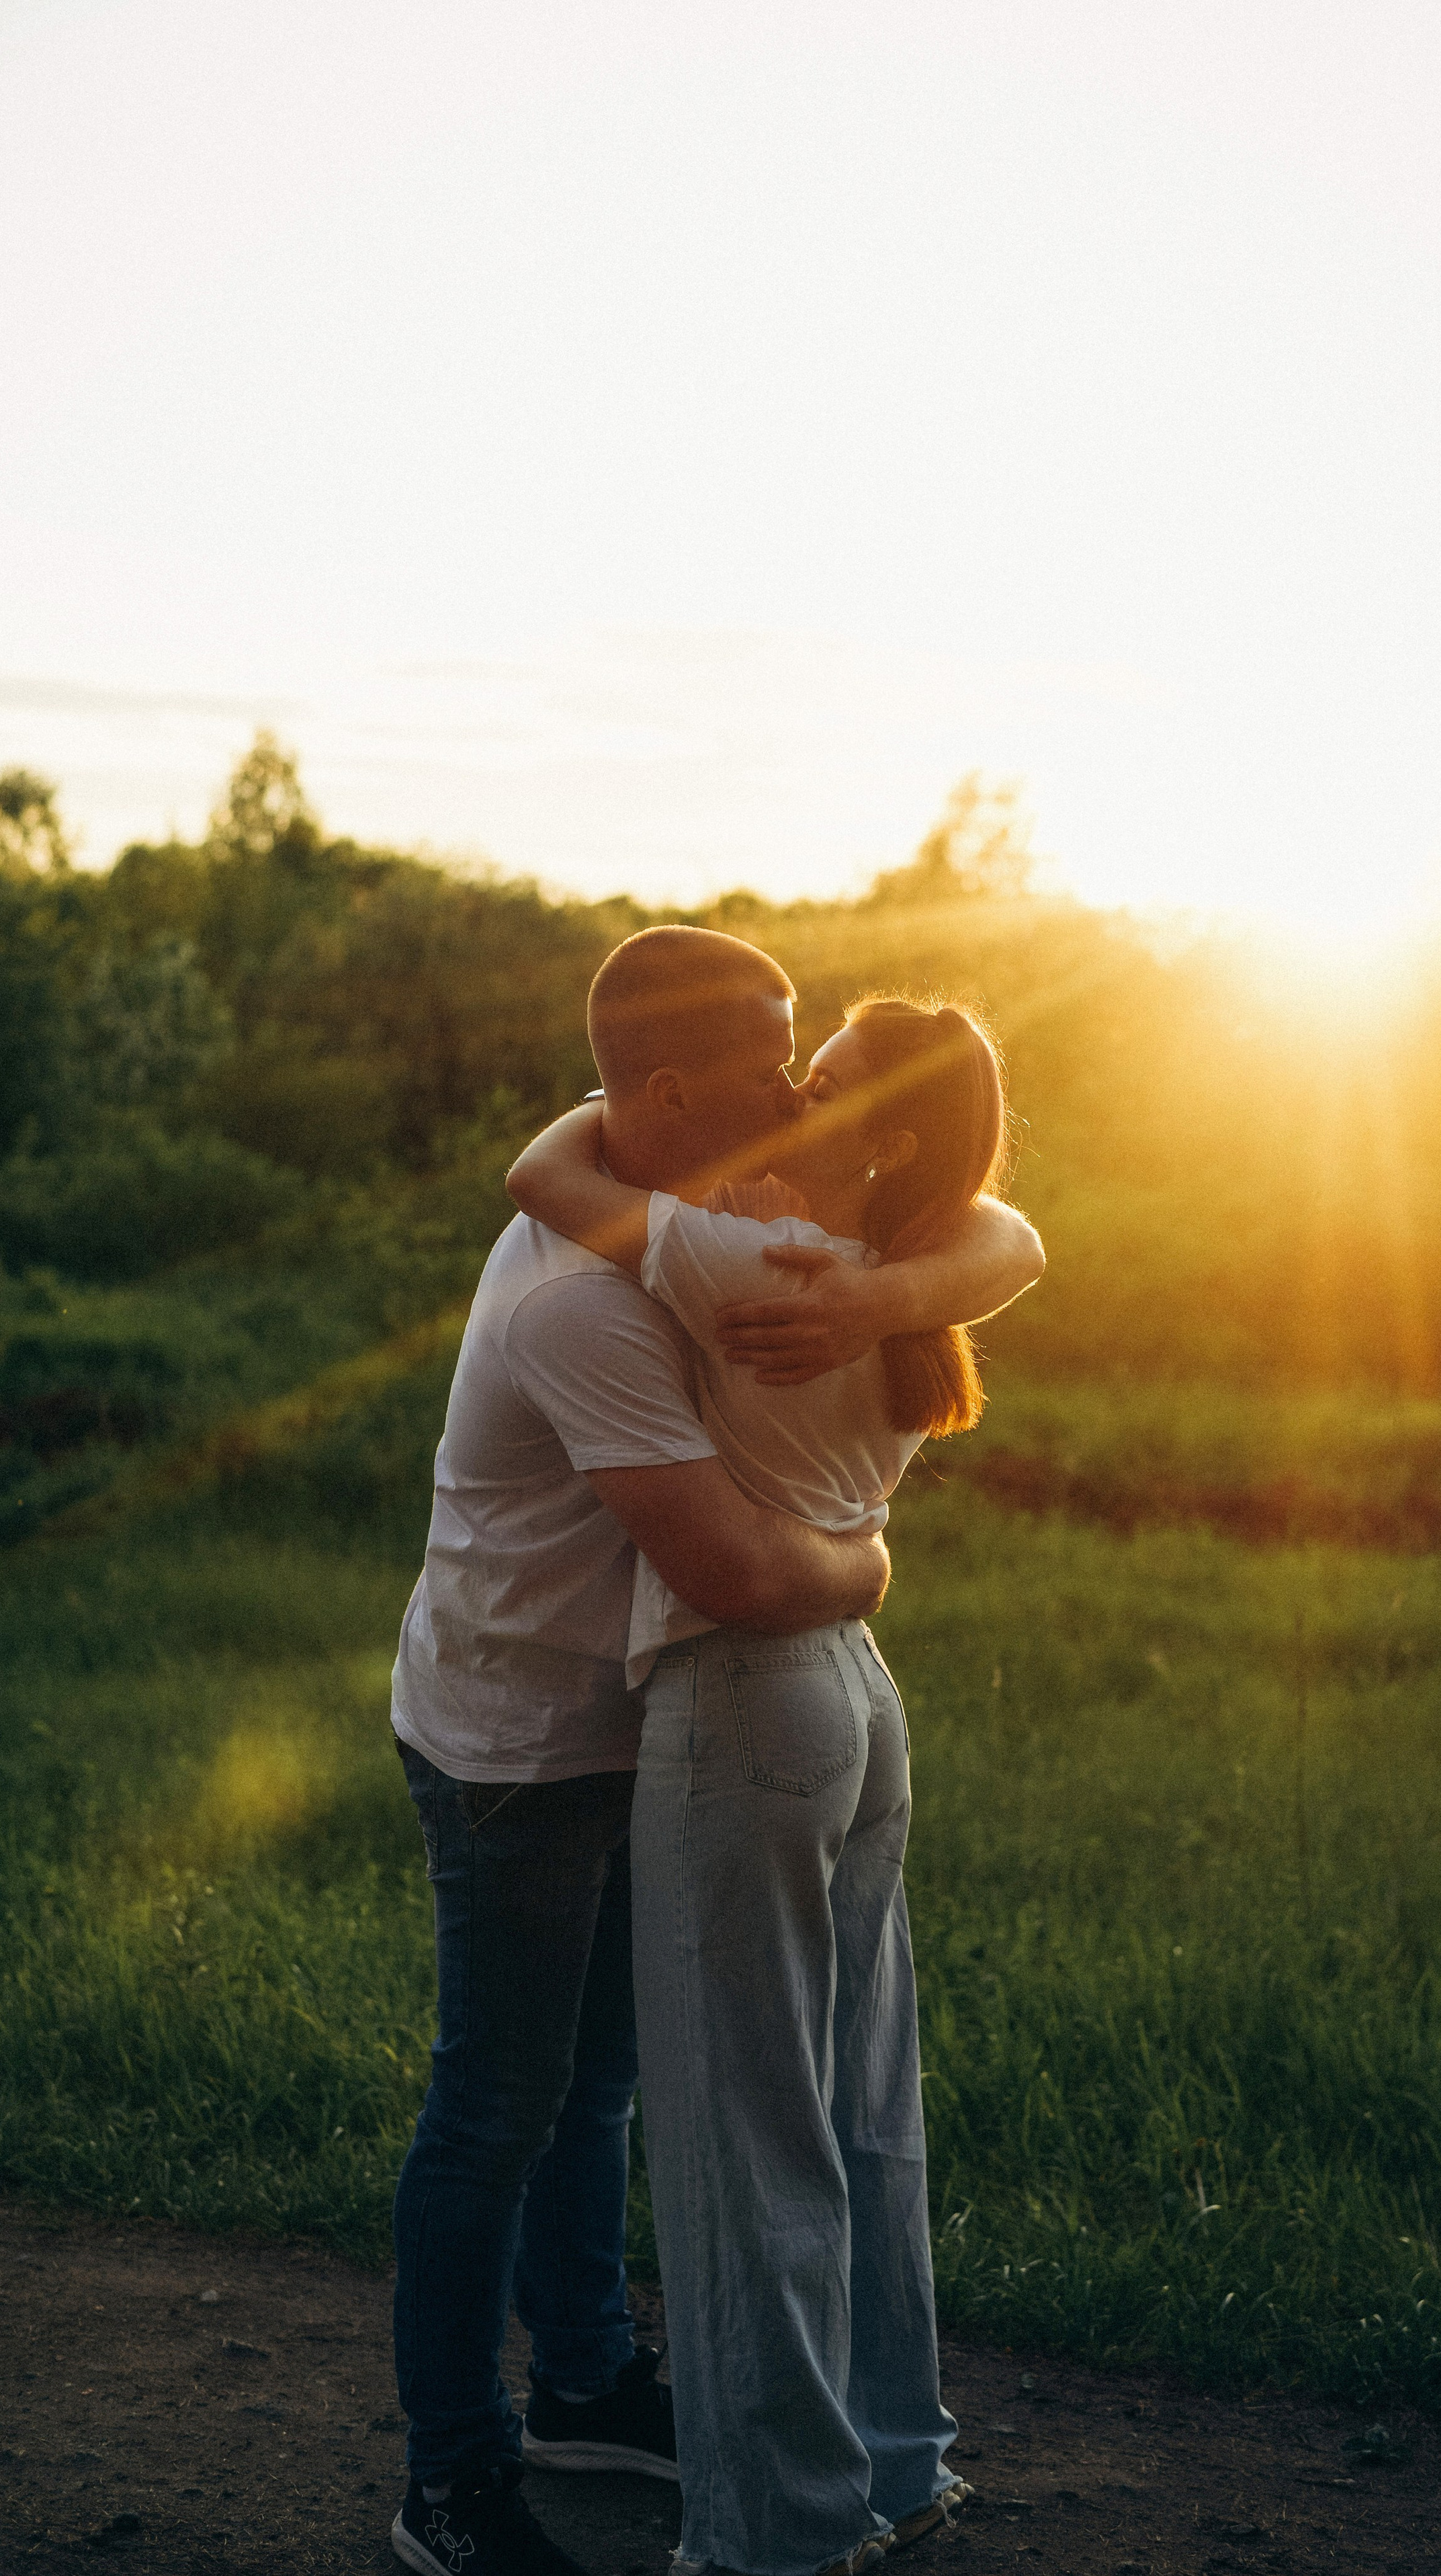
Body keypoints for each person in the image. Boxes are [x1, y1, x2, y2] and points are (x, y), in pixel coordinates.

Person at [387, 928, 1045, 2576]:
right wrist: (871, 1562)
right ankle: (455, 2471)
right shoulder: (589, 1289)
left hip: (697, 1716)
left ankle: (595, 2378)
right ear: (674, 1091)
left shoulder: (741, 1224)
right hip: (523, 1732)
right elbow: (745, 1574)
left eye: (813, 1055)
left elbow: (560, 1147)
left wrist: (889, 1289)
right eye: (776, 1052)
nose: (794, 1068)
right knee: (504, 2102)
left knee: (620, 2083)